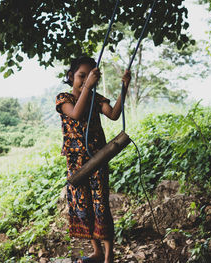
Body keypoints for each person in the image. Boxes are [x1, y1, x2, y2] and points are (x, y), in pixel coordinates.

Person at [55, 56, 131, 263]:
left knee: (101, 205)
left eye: (89, 77)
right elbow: (77, 114)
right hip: (76, 162)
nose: (85, 80)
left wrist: (124, 87)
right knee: (83, 206)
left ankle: (108, 256)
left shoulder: (96, 98)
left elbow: (114, 114)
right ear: (71, 76)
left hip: (97, 159)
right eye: (81, 76)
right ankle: (96, 252)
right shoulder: (64, 99)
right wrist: (88, 87)